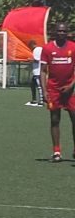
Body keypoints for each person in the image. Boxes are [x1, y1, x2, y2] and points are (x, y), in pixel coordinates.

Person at [41, 22, 75, 161]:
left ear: (67, 33)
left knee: (74, 118)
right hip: (53, 90)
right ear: (55, 32)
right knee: (55, 119)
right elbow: (43, 71)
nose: (61, 33)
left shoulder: (73, 47)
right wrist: (44, 91)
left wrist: (71, 86)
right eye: (59, 31)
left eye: (64, 31)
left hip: (70, 90)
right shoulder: (47, 48)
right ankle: (56, 152)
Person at [29, 41, 44, 106]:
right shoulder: (40, 49)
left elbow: (38, 60)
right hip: (36, 71)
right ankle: (34, 99)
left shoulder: (36, 50)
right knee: (32, 84)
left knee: (39, 86)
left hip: (38, 71)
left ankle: (41, 101)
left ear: (32, 45)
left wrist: (31, 60)